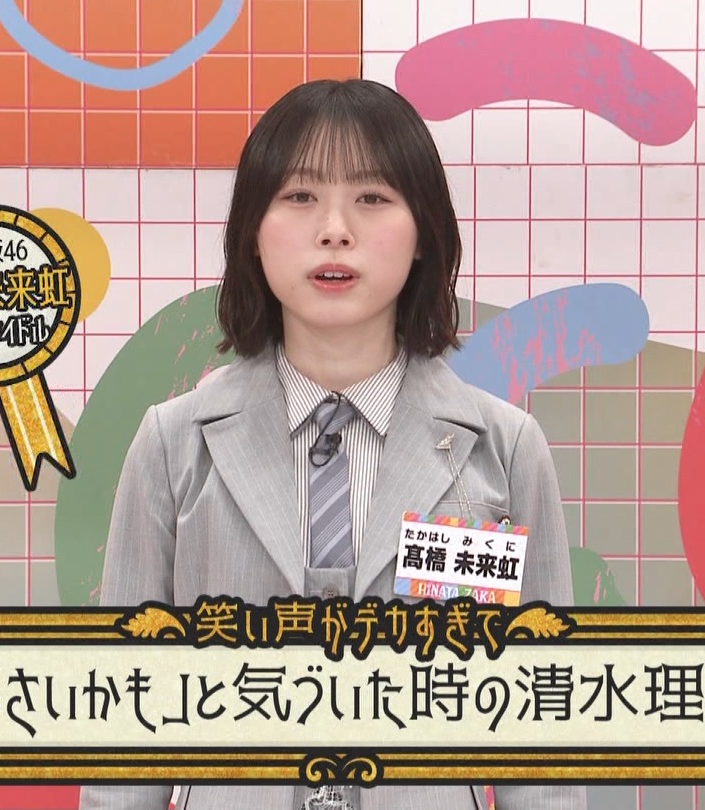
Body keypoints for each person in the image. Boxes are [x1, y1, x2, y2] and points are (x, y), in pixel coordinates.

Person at [79, 78, 584, 810]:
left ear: (424, 233)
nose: (335, 230)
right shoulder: (174, 443)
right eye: (300, 195)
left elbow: (541, 729)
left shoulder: (503, 449)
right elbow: (127, 725)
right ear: (253, 231)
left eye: (372, 197)